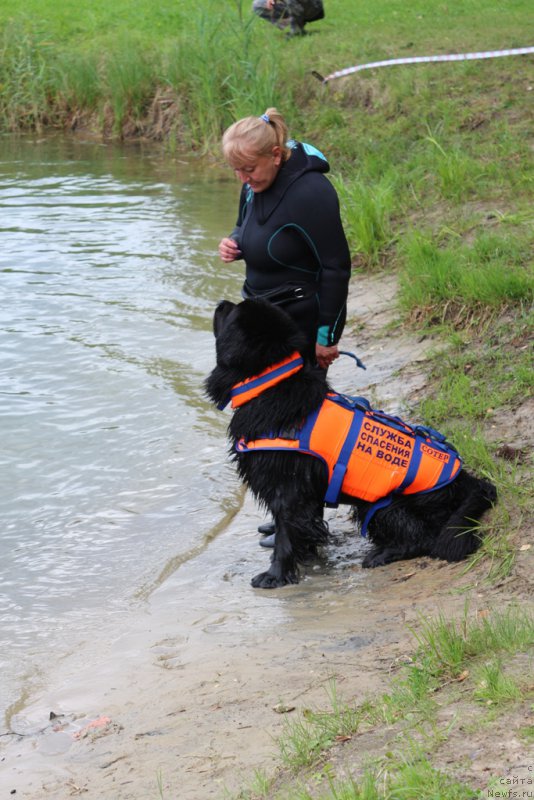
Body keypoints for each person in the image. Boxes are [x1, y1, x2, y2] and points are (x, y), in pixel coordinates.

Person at [218, 108, 351, 546]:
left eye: (249, 169)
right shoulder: (255, 184)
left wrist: (326, 338)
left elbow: (335, 268)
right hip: (264, 327)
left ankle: (307, 526)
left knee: (302, 425)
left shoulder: (311, 193)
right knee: (271, 424)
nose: (243, 178)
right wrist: (234, 243)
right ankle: (288, 515)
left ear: (276, 155)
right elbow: (248, 224)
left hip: (302, 325)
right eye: (236, 170)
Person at [252, 0, 324, 37]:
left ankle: (297, 29)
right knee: (258, 5)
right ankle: (294, 22)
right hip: (295, 5)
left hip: (313, 7)